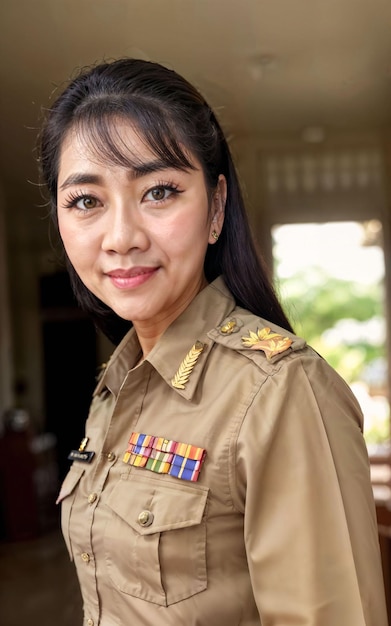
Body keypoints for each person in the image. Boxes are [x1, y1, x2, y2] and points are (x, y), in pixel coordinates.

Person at [38, 58, 388, 626]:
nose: (122, 237)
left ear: (216, 207)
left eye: (158, 192)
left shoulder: (282, 392)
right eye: (86, 201)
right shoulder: (118, 382)